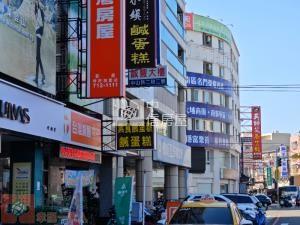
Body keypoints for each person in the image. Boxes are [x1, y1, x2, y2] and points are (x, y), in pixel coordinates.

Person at [34, 0, 46, 85]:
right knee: (38, 57)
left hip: (38, 35)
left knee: (37, 58)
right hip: (38, 34)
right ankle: (42, 76)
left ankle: (37, 77)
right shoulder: (38, 11)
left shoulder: (41, 11)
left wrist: (38, 28)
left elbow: (41, 25)